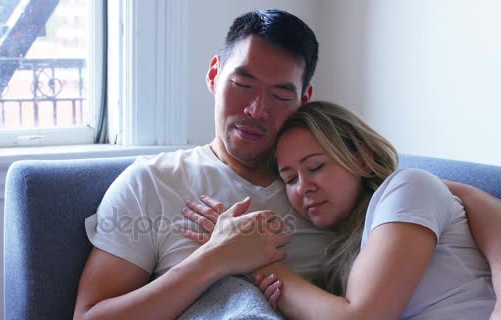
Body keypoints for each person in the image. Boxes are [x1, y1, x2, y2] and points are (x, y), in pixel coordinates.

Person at [73, 9, 501, 319]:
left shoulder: (337, 188)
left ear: (304, 99)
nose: (257, 110)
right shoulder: (153, 183)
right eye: (242, 84)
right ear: (213, 76)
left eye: (280, 96)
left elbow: (448, 194)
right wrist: (214, 259)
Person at [183, 101, 499, 319]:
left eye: (316, 166)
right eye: (289, 178)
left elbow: (361, 317)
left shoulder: (409, 188)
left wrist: (254, 260)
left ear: (362, 158)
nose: (302, 187)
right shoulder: (349, 252)